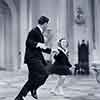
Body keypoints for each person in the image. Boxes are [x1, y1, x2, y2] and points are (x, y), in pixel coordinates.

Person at [15, 16, 54, 100]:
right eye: (47, 24)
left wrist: (51, 51)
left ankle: (20, 97)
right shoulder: (34, 31)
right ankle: (34, 88)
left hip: (35, 58)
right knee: (45, 73)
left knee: (32, 80)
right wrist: (39, 44)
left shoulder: (39, 32)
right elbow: (28, 42)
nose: (47, 26)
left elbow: (40, 47)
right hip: (33, 59)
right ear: (45, 24)